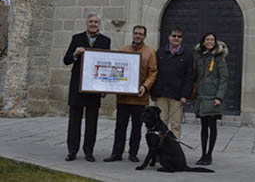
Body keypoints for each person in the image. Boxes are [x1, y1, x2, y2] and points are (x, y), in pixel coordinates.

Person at [104, 25, 158, 162]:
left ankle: (133, 153)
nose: (138, 36)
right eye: (136, 33)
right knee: (120, 127)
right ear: (133, 35)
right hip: (123, 97)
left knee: (136, 128)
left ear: (144, 36)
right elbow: (115, 71)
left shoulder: (150, 52)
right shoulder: (123, 50)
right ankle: (116, 153)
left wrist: (145, 87)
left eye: (140, 34)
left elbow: (153, 73)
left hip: (140, 97)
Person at [63, 12, 111, 162]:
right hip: (77, 86)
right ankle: (72, 151)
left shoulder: (105, 41)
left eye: (96, 22)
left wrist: (105, 87)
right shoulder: (76, 39)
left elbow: (107, 65)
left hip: (94, 87)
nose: (93, 24)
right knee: (74, 122)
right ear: (86, 23)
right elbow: (66, 60)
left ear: (99, 25)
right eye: (91, 21)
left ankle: (89, 151)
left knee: (92, 122)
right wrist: (75, 54)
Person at [150, 27, 194, 139]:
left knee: (176, 124)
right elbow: (154, 72)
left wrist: (185, 95)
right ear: (169, 37)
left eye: (179, 36)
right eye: (174, 35)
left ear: (182, 39)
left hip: (177, 96)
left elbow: (189, 77)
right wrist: (153, 92)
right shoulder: (160, 52)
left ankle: (174, 149)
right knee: (161, 123)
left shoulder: (187, 55)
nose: (176, 38)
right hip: (161, 94)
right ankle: (161, 149)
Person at [193, 32, 228, 166]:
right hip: (202, 97)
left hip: (213, 97)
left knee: (212, 126)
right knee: (203, 127)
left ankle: (209, 155)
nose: (210, 42)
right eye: (207, 39)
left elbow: (223, 79)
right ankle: (203, 154)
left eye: (212, 40)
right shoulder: (199, 57)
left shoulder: (219, 58)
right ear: (203, 42)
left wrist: (219, 97)